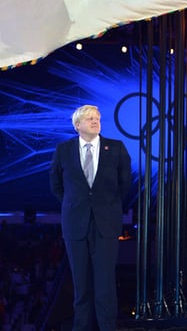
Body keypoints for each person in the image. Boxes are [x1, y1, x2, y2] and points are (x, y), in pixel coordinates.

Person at [50, 104, 132, 331]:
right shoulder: (63, 150)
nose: (96, 121)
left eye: (97, 118)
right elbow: (56, 184)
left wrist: (106, 206)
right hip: (75, 224)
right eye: (89, 119)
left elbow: (125, 184)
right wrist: (75, 205)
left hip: (105, 224)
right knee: (81, 286)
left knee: (105, 286)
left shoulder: (115, 148)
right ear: (77, 126)